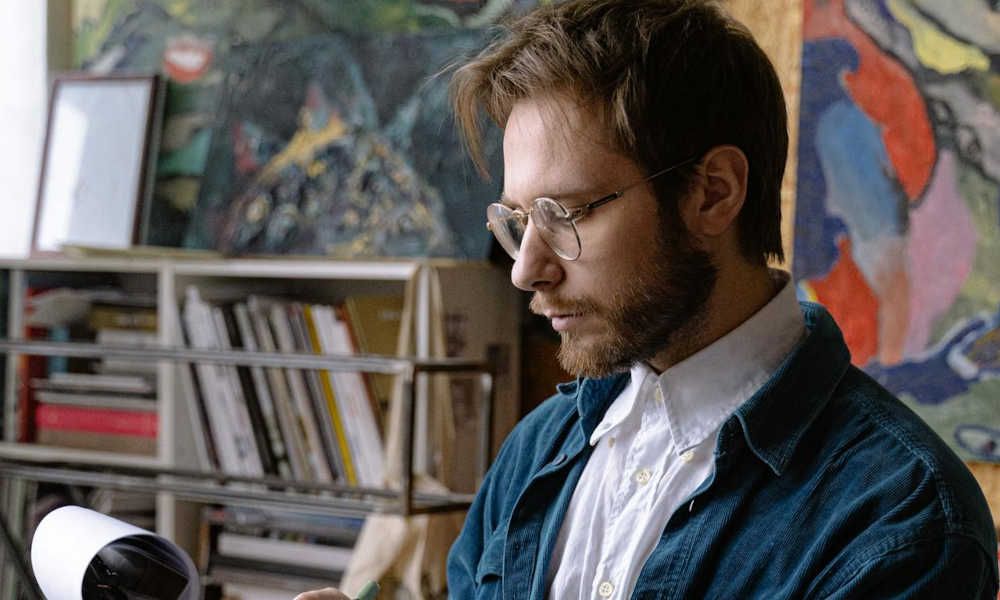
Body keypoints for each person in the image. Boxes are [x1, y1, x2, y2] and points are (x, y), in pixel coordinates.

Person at [299, 1, 998, 598]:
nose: (526, 271)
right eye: (517, 221)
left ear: (713, 193)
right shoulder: (537, 451)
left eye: (564, 213)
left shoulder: (902, 521)